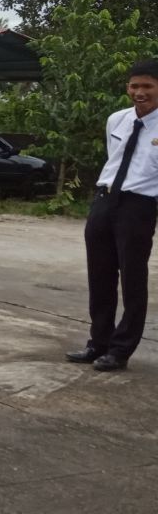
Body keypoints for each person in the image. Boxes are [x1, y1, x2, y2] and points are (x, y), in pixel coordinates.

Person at [66, 58, 158, 372]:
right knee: (100, 276)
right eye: (134, 86)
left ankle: (121, 350)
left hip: (139, 206)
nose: (140, 92)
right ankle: (98, 343)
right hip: (104, 200)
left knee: (132, 279)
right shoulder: (116, 119)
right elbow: (114, 158)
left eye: (148, 86)